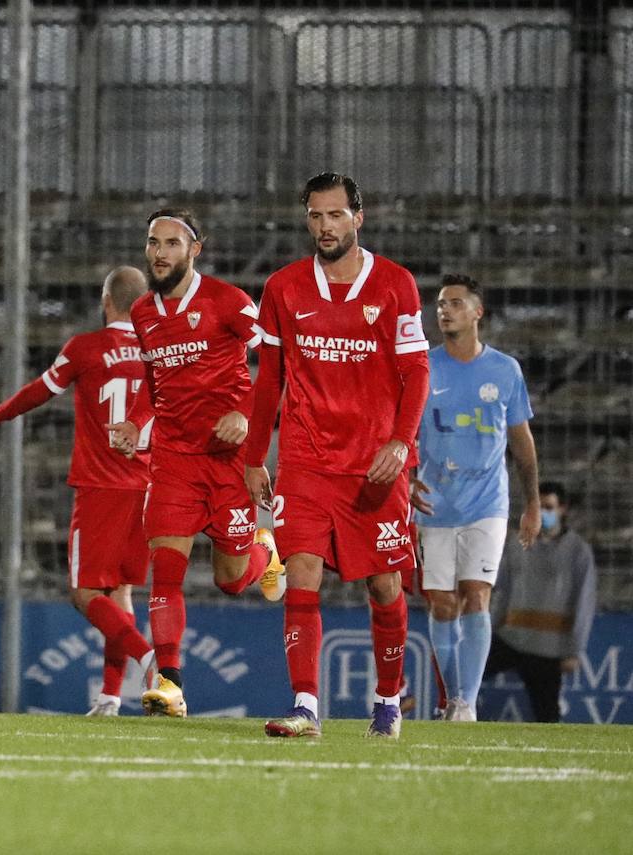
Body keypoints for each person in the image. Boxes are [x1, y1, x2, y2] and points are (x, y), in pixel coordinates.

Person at [244, 172, 431, 739]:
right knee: (301, 574)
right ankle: (305, 706)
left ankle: (388, 702)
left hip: (374, 464)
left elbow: (417, 370)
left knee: (384, 587)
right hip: (305, 459)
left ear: (358, 217)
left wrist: (400, 442)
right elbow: (269, 375)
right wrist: (256, 456)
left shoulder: (396, 284)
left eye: (334, 215)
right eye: (315, 216)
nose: (324, 226)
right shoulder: (283, 287)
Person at [107, 209, 284, 719]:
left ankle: (262, 553)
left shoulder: (229, 302)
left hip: (228, 462)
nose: (159, 252)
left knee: (231, 579)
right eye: (152, 243)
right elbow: (151, 375)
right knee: (164, 573)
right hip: (173, 460)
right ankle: (170, 684)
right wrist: (135, 422)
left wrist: (246, 415)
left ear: (194, 250)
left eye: (170, 243)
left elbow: (275, 362)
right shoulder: (142, 312)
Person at [0, 266, 156, 717]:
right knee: (121, 593)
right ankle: (111, 697)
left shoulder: (86, 348)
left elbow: (39, 391)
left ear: (106, 301)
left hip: (100, 486)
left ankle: (151, 661)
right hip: (148, 487)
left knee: (85, 594)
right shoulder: (160, 352)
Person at [411, 274, 540, 722]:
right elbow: (402, 433)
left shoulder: (505, 370)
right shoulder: (424, 367)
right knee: (442, 603)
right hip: (434, 503)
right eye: (442, 304)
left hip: (488, 504)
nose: (444, 310)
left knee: (477, 595)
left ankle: (464, 703)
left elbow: (522, 442)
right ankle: (451, 699)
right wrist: (407, 480)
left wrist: (534, 503)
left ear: (477, 312)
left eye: (456, 303)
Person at [485, 482, 596, 722]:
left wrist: (573, 651)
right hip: (510, 638)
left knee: (547, 715)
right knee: (467, 676)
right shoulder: (516, 542)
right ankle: (451, 712)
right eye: (538, 506)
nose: (542, 513)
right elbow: (500, 588)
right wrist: (490, 627)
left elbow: (584, 605)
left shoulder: (578, 552)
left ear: (563, 509)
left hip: (548, 648)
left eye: (549, 507)